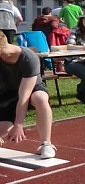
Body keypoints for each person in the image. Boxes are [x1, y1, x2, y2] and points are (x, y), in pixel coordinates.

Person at [0, 29, 56, 158]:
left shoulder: (28, 58)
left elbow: (24, 96)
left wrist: (18, 124)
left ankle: (46, 143)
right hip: (7, 94)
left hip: (31, 90)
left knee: (40, 98)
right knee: (3, 128)